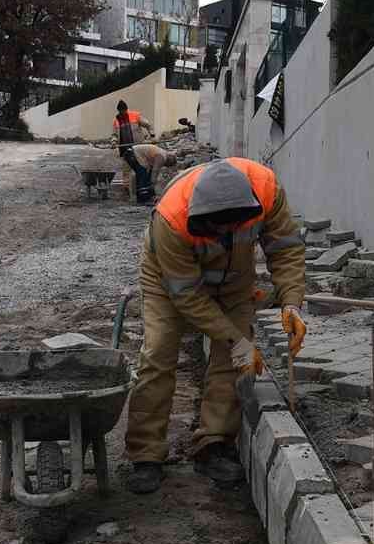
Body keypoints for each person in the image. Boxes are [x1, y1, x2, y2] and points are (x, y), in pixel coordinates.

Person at [124, 157, 308, 494]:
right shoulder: (172, 219)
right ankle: (146, 453)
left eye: (231, 227)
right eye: (215, 229)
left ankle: (213, 443)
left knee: (234, 359)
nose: (223, 234)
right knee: (159, 352)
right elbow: (188, 296)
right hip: (170, 283)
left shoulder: (266, 191)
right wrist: (235, 338)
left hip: (235, 279)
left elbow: (285, 251)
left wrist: (292, 303)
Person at [113, 100, 154, 204]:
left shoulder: (135, 116)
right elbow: (114, 135)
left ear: (126, 109)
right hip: (125, 149)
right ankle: (127, 190)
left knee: (140, 168)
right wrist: (113, 141)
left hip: (138, 148)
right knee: (126, 170)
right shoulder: (116, 120)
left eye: (124, 110)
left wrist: (152, 134)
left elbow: (148, 125)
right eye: (120, 111)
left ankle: (142, 189)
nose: (122, 113)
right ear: (118, 111)